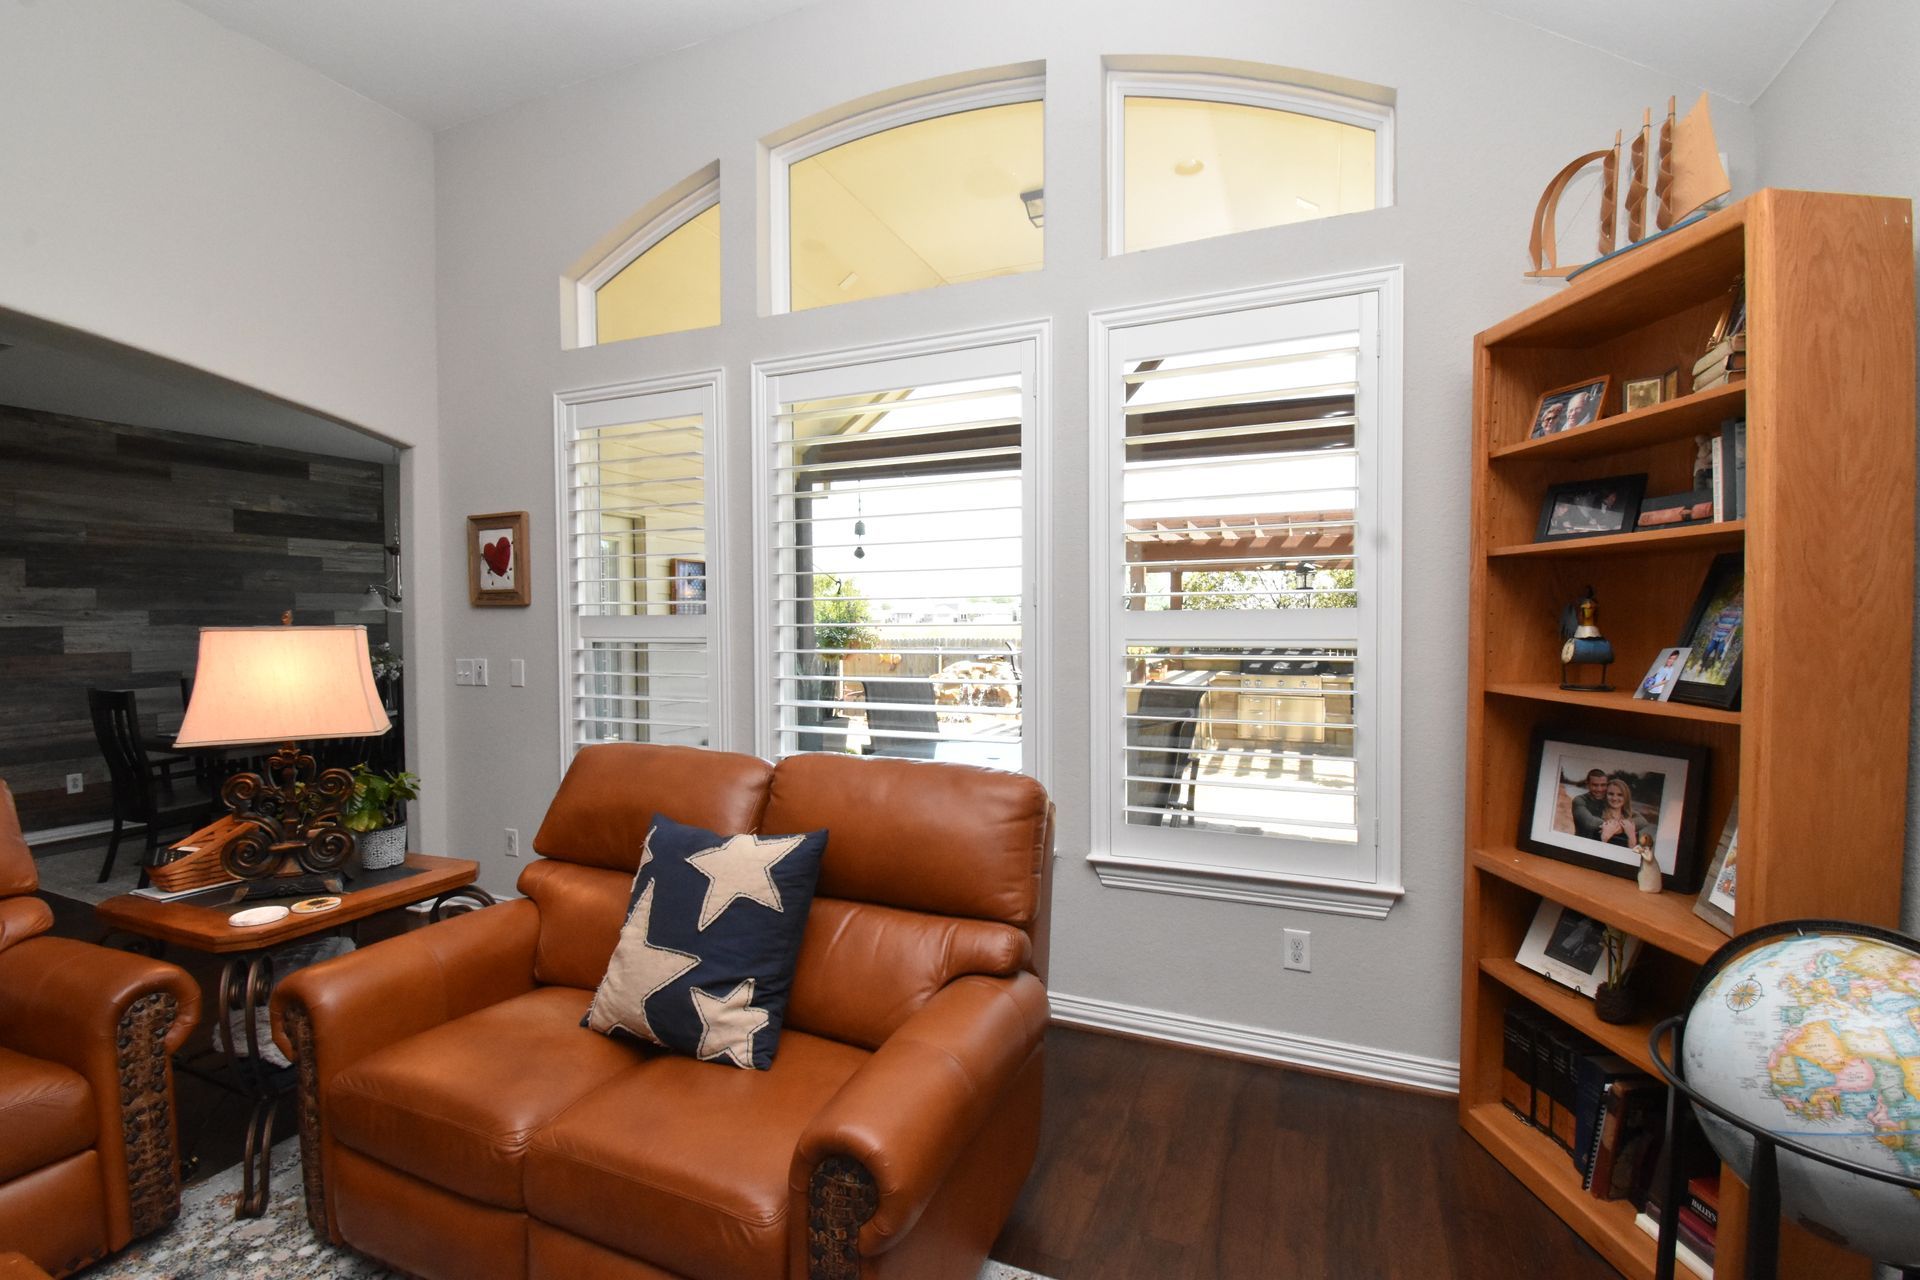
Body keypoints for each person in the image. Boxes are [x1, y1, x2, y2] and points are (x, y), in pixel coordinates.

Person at [1569, 768, 1609, 839]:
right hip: (1581, 843)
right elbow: (1589, 822)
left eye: (1603, 785)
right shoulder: (1579, 800)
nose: (1599, 789)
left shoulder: (1610, 800)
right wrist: (1616, 825)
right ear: (1587, 785)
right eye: (1595, 785)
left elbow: (1634, 816)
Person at [1599, 776, 1638, 848]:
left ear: (1626, 797)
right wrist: (1604, 838)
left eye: (1620, 795)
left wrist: (1631, 836)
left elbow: (1632, 854)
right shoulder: (1598, 816)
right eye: (1610, 794)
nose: (1614, 798)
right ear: (1605, 795)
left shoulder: (1630, 821)